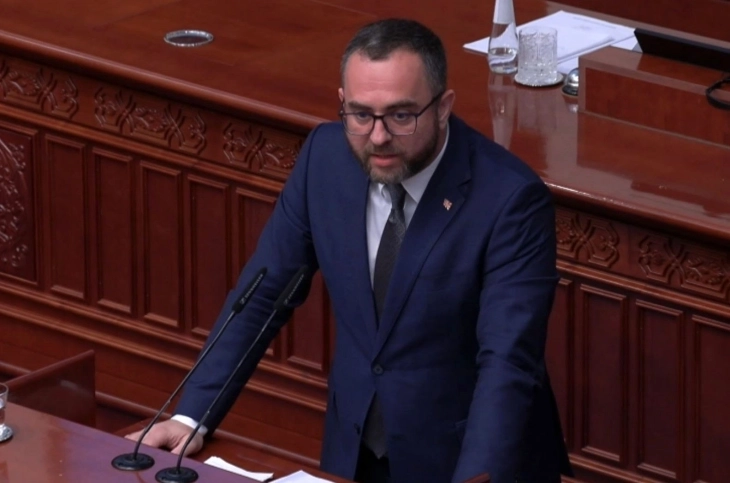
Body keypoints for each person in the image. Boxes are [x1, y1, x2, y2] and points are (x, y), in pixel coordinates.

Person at [127, 18, 572, 483]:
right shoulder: (325, 159)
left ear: (443, 108)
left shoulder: (509, 199)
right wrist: (192, 416)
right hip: (356, 451)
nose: (378, 137)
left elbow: (506, 362)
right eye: (360, 115)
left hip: (462, 458)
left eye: (401, 116)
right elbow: (263, 293)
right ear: (342, 102)